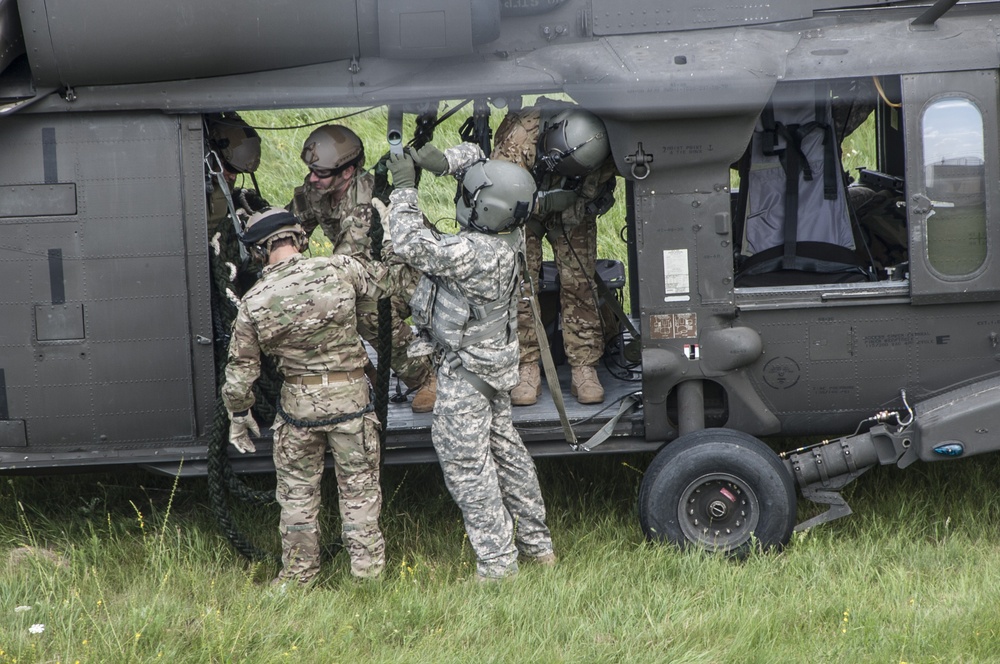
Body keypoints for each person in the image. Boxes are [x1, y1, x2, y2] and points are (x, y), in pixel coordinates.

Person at [382, 144, 555, 581]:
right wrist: (444, 161)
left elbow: (408, 242)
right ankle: (538, 546)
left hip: (466, 375)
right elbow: (484, 163)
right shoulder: (510, 232)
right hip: (492, 366)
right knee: (506, 452)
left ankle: (498, 566)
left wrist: (404, 188)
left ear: (483, 208)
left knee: (467, 467)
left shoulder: (472, 254)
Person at [222, 207, 387, 585]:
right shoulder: (340, 268)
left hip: (298, 408)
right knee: (359, 494)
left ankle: (298, 578)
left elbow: (240, 373)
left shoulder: (254, 302)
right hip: (352, 403)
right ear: (299, 238)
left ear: (259, 252)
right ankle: (368, 577)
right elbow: (383, 289)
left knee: (297, 498)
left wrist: (238, 415)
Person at [288, 124, 436, 413]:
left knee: (367, 308)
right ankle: (364, 373)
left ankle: (426, 376)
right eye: (311, 171)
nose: (312, 178)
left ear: (347, 171)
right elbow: (293, 228)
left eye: (321, 173)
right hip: (375, 271)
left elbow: (347, 267)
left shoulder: (367, 201)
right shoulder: (318, 187)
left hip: (417, 273)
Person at [491, 103, 618, 406]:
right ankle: (527, 365)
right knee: (521, 284)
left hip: (573, 206)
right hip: (522, 209)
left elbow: (600, 188)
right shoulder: (519, 137)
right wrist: (542, 205)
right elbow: (501, 195)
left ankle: (584, 367)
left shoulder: (603, 144)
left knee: (580, 282)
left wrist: (576, 200)